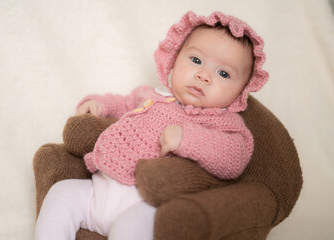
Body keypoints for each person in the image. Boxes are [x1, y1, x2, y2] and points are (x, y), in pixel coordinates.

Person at [35, 11, 269, 240]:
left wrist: (187, 138)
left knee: (130, 229)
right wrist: (98, 104)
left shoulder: (224, 122)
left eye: (223, 73)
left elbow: (234, 156)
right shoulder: (151, 95)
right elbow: (121, 102)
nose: (204, 75)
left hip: (147, 205)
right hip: (100, 190)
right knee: (62, 193)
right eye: (196, 60)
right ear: (174, 61)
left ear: (241, 92)